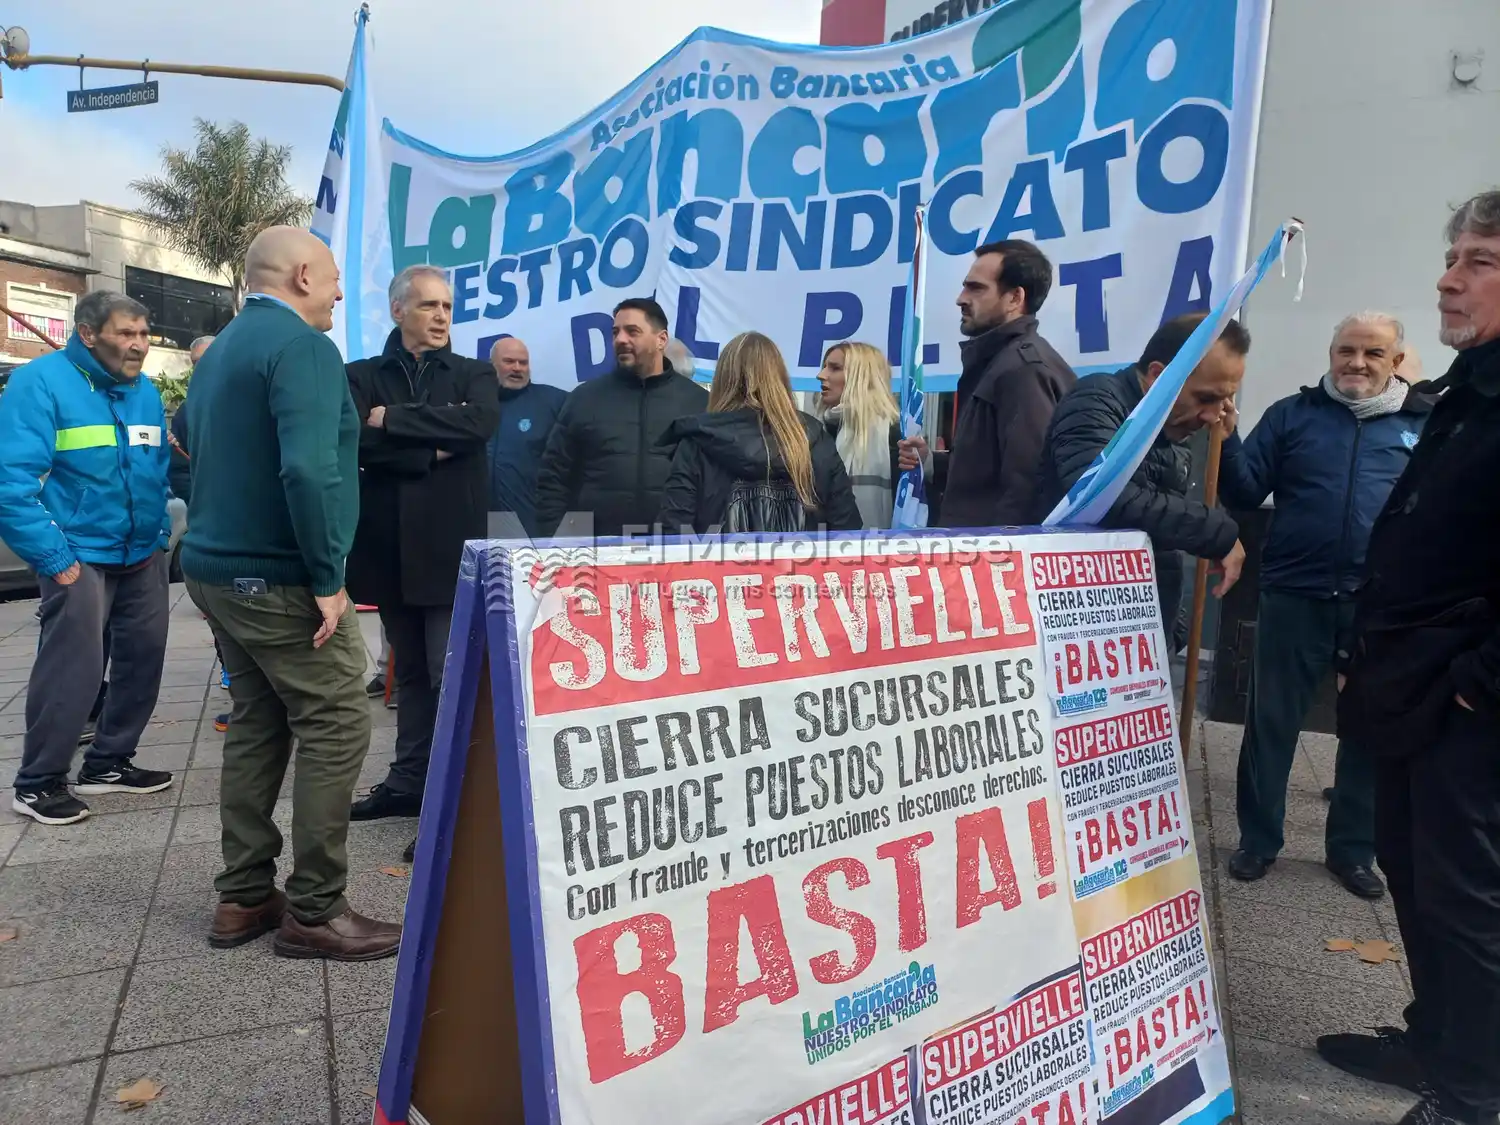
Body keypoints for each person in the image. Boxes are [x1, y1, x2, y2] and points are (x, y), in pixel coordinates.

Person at [1318, 190, 1500, 1125]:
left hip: (1463, 698)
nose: (1448, 275)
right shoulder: (1470, 385)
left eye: (1479, 260)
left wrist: (1477, 688)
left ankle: (1472, 1094)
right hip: (1406, 680)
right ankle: (1439, 1041)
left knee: (1467, 898)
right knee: (1413, 871)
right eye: (1454, 254)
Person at [181, 225, 399, 961]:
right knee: (338, 720)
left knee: (257, 720)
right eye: (335, 277)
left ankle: (243, 896)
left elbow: (187, 439)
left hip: (214, 569)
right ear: (304, 274)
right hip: (278, 575)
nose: (341, 291)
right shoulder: (305, 348)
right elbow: (310, 472)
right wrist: (329, 578)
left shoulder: (219, 352)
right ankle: (316, 908)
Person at [1219, 312, 1431, 899]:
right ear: (1331, 352)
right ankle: (1258, 843)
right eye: (1345, 350)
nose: (1355, 363)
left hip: (1378, 604)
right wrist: (1229, 433)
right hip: (1294, 593)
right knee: (1271, 722)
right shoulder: (1293, 414)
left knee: (1365, 729)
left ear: (1395, 360)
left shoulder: (1425, 424)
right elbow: (1243, 490)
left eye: (1371, 353)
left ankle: (1353, 852)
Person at [0, 290, 175, 826]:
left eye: (145, 335)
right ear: (88, 333)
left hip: (141, 552)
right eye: (127, 333)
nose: (140, 345)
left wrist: (161, 530)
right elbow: (11, 484)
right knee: (72, 670)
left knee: (144, 658)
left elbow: (156, 468)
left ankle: (107, 763)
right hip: (77, 554)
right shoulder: (39, 383)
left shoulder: (143, 390)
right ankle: (38, 782)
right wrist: (54, 556)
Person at [345, 265, 500, 823]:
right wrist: (429, 446)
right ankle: (410, 780)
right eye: (430, 306)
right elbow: (356, 441)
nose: (441, 317)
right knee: (407, 674)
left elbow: (478, 427)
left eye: (447, 308)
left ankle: (454, 799)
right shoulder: (360, 375)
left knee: (447, 672)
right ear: (398, 311)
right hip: (387, 548)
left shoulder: (474, 373)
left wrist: (397, 420)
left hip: (450, 549)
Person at [1033, 313, 1250, 619]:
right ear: (1158, 376)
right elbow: (1101, 496)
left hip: (1141, 625)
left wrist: (1175, 622)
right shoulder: (1096, 400)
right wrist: (1215, 532)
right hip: (1082, 617)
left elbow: (1161, 537)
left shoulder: (1170, 424)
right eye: (1206, 398)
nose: (1213, 416)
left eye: (1225, 401)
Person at [897, 240, 1075, 527]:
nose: (961, 298)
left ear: (1015, 298)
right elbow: (986, 476)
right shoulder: (1001, 363)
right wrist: (930, 462)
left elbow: (1027, 486)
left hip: (994, 560)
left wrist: (999, 562)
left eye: (976, 288)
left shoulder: (1023, 370)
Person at [535, 298, 708, 537]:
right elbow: (553, 478)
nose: (620, 339)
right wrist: (556, 543)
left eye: (632, 332)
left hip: (676, 552)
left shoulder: (698, 402)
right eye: (615, 332)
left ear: (661, 340)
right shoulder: (584, 399)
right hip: (596, 554)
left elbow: (712, 482)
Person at [657, 332, 861, 534]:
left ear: (724, 378)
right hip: (801, 564)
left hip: (719, 564)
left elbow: (674, 532)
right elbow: (846, 528)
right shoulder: (814, 437)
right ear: (779, 377)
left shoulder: (697, 442)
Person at [167, 334, 233, 733]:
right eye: (196, 363)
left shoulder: (252, 397)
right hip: (213, 530)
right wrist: (209, 499)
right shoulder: (189, 413)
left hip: (256, 537)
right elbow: (179, 471)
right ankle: (236, 680)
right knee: (223, 619)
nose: (203, 368)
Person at [486, 335, 567, 539]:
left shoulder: (554, 402)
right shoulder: (475, 405)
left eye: (523, 362)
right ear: (491, 366)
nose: (517, 368)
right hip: (480, 530)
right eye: (509, 361)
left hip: (533, 529)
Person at [817, 341, 901, 529]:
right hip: (818, 550)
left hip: (878, 551)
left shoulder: (894, 435)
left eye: (835, 368)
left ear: (862, 377)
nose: (821, 375)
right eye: (824, 367)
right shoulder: (816, 431)